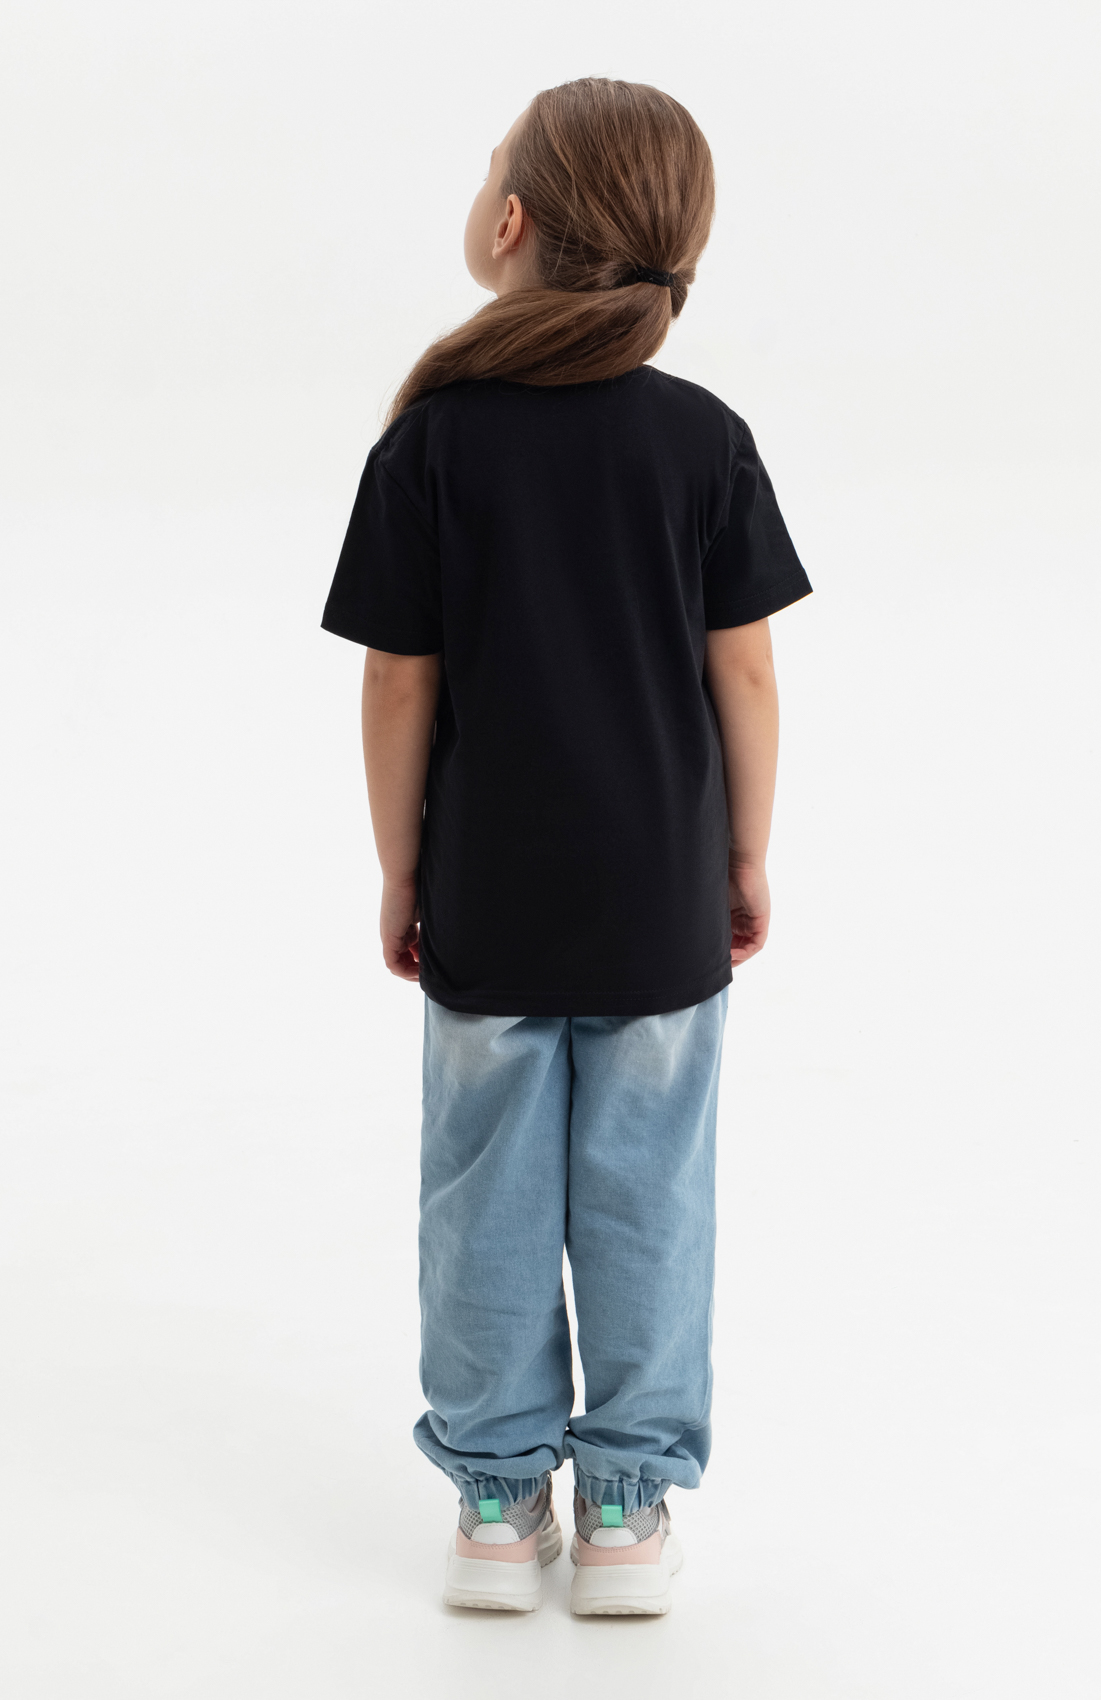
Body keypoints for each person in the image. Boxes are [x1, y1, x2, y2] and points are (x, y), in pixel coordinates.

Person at [321, 76, 811, 1617]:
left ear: (512, 222)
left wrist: (401, 868)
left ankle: (491, 1500)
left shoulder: (432, 444)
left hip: (489, 897)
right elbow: (746, 675)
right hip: (662, 902)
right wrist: (746, 852)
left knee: (482, 1195)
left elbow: (400, 684)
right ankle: (625, 1510)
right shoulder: (704, 441)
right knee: (650, 1195)